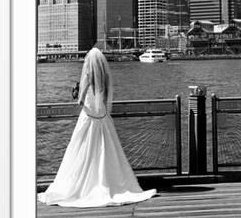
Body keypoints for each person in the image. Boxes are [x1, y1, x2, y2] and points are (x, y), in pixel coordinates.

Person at [38, 47, 157, 208]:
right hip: (103, 119)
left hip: (88, 119)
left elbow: (80, 101)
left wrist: (77, 92)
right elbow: (106, 100)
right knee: (107, 152)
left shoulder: (87, 76)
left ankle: (84, 184)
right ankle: (108, 182)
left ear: (89, 62)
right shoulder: (106, 77)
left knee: (82, 151)